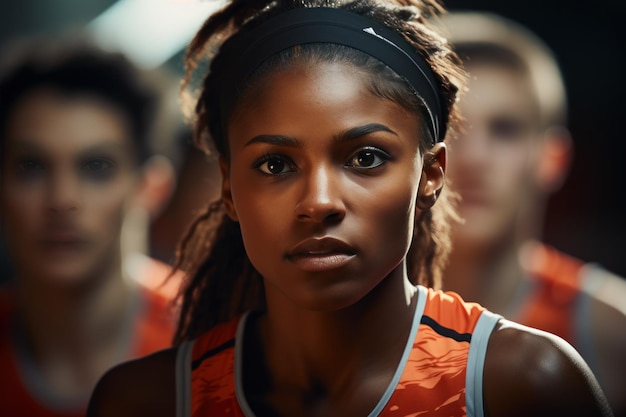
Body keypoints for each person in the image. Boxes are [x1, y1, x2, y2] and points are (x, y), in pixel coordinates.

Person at [87, 1, 613, 416]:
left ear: (431, 174)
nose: (318, 202)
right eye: (275, 164)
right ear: (227, 187)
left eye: (365, 157)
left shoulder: (522, 385)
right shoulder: (144, 402)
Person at [436, 11, 626, 417]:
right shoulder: (339, 320)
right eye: (451, 127)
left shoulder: (614, 331)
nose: (474, 157)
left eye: (504, 129)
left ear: (553, 158)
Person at [0, 38, 179, 416]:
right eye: (30, 166)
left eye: (97, 167)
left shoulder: (221, 338)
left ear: (151, 187)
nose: (62, 199)